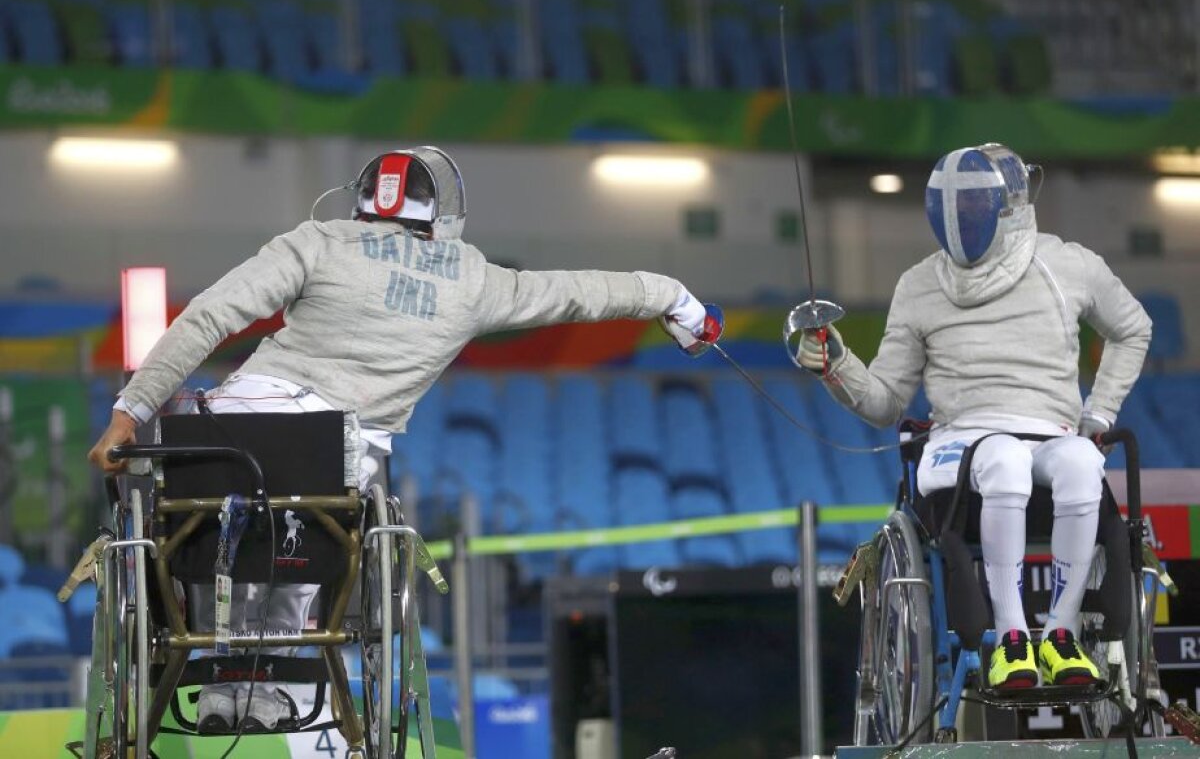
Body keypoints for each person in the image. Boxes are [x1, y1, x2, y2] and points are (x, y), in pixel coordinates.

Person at [88, 146, 713, 731]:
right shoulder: (474, 281)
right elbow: (584, 294)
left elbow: (209, 315)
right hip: (327, 459)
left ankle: (211, 662)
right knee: (311, 525)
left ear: (363, 200)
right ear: (442, 212)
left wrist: (129, 413)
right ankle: (264, 683)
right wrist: (675, 299)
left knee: (196, 513)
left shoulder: (319, 241)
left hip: (227, 435)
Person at [793, 143, 1151, 690]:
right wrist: (836, 365)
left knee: (1082, 461)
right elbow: (886, 399)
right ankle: (1012, 639)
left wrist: (1098, 414)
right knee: (1003, 457)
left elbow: (1132, 328)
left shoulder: (1067, 264)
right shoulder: (918, 285)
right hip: (959, 446)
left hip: (1048, 437)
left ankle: (1059, 636)